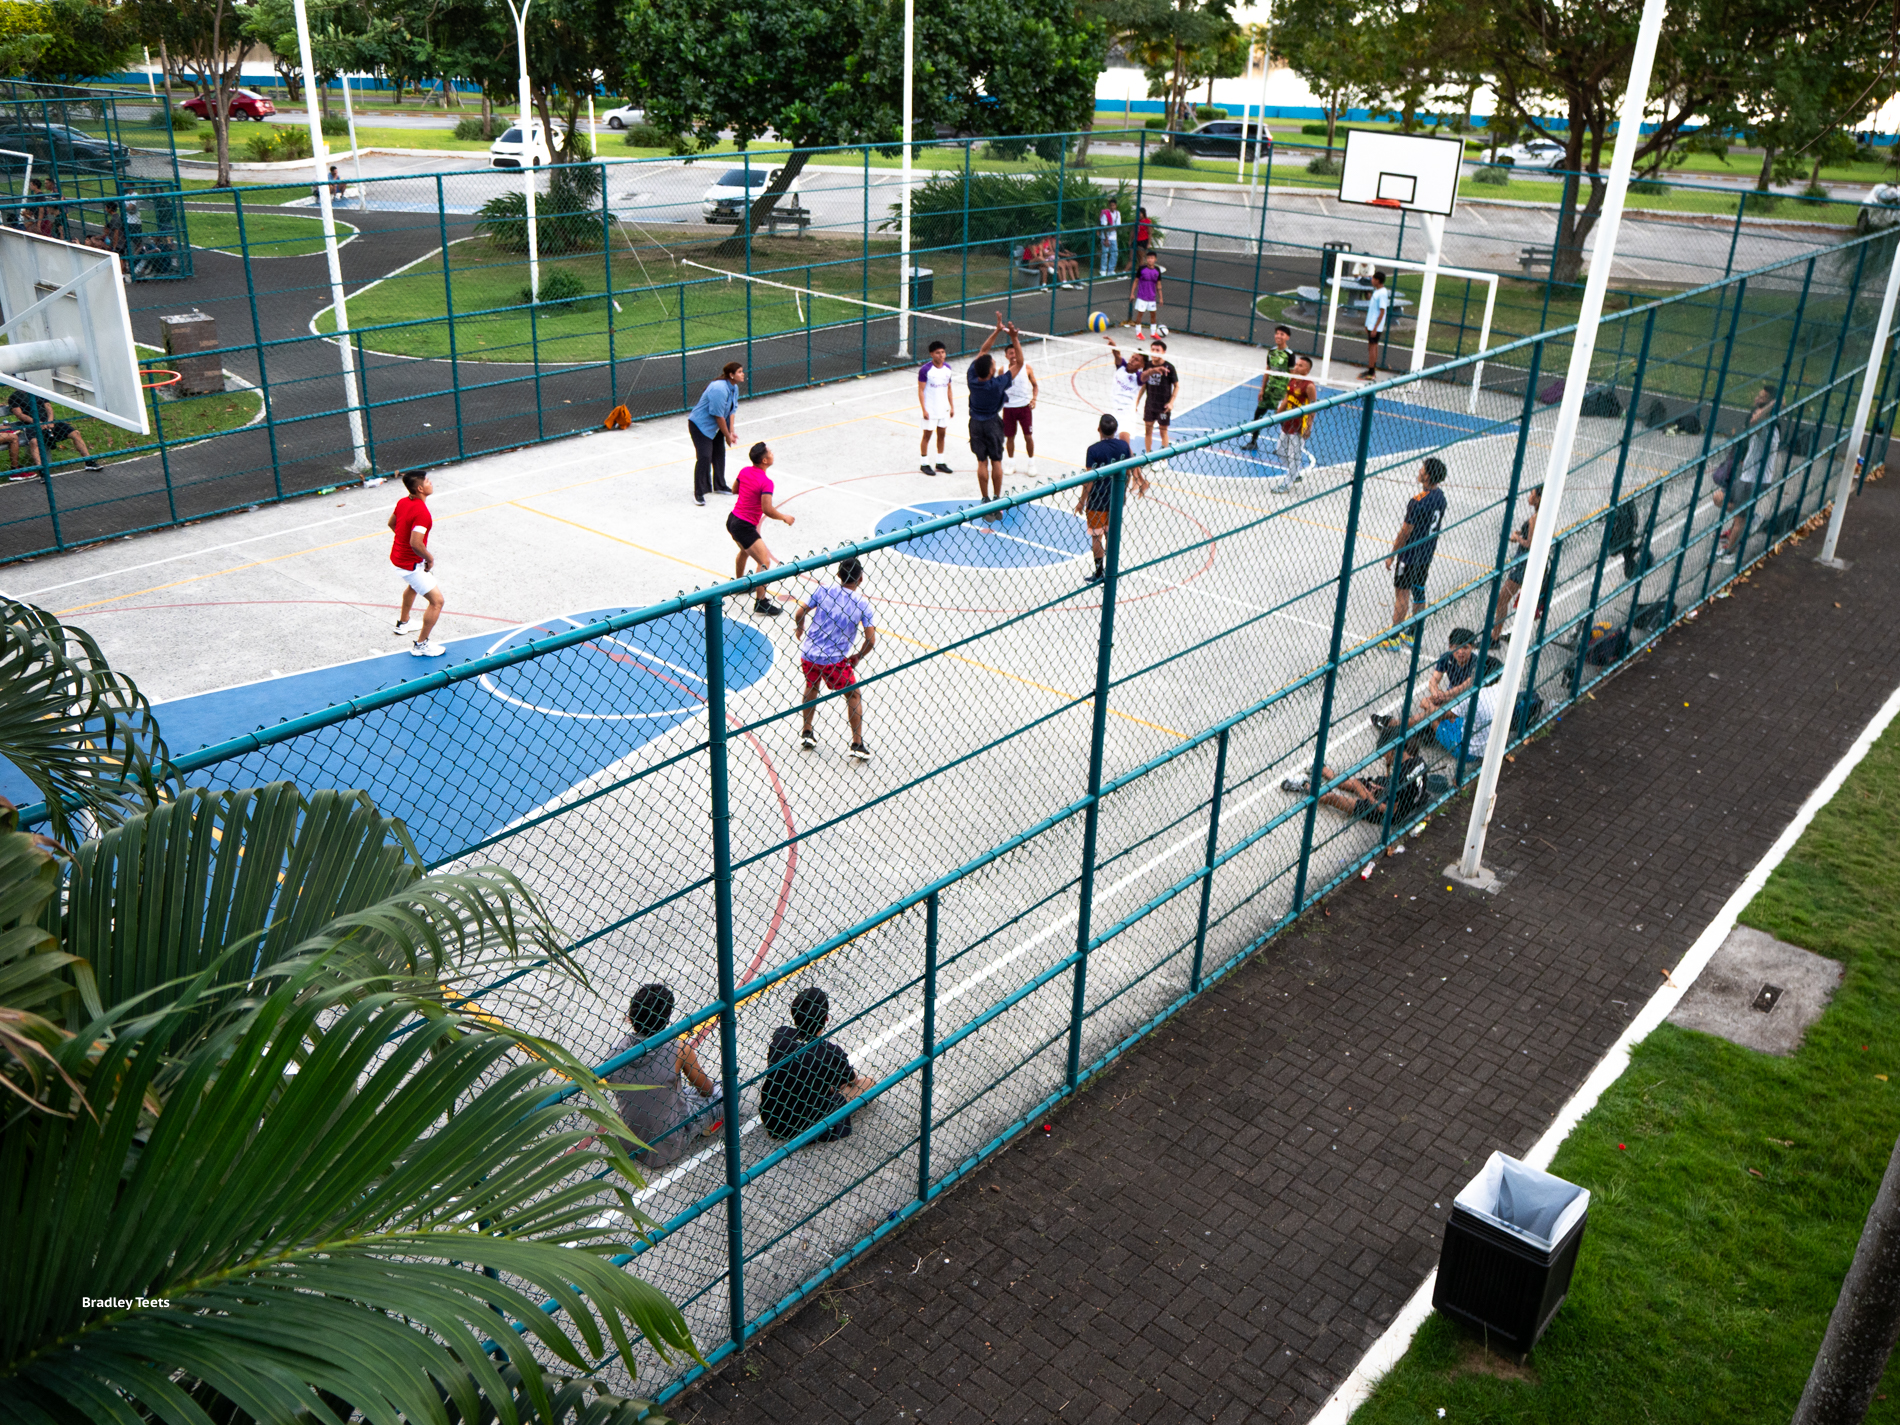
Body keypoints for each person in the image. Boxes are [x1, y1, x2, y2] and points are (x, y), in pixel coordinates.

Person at [602, 983, 722, 1168]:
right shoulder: (678, 1049)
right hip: (669, 1146)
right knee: (725, 1089)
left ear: (632, 1017)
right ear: (666, 1020)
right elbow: (706, 1090)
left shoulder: (615, 1054)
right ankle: (705, 1125)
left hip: (630, 1143)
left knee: (670, 1092)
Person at [759, 987, 877, 1144]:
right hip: (807, 1124)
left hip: (773, 1118)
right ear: (826, 1018)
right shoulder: (829, 1051)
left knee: (806, 1072)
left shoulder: (781, 1035)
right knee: (868, 1082)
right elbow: (852, 1080)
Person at [796, 556, 877, 762]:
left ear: (838, 575)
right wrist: (858, 655)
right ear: (860, 579)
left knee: (812, 686)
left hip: (810, 654)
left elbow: (800, 612)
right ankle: (857, 743)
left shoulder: (823, 590)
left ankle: (807, 731)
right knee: (853, 695)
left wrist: (800, 627)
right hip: (834, 661)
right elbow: (870, 640)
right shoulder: (862, 604)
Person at [1281, 737, 1429, 827]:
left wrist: (1370, 798)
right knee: (1357, 783)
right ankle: (1321, 769)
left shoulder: (1400, 778)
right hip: (1401, 799)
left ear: (1395, 751)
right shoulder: (1419, 762)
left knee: (1332, 798)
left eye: (1386, 754)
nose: (1384, 757)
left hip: (1389, 814)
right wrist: (1382, 787)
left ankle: (1304, 785)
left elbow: (1390, 811)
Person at [1381, 457, 1449, 650]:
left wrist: (1392, 555)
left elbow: (1405, 532)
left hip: (1410, 556)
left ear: (1427, 476)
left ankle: (1393, 638)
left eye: (1422, 469)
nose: (1419, 471)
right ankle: (1412, 634)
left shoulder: (1417, 501)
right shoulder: (1441, 497)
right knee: (1419, 590)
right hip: (1426, 554)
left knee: (1402, 594)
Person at [1074, 412, 1149, 584]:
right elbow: (1128, 471)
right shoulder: (1123, 446)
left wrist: (1081, 501)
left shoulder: (1093, 450)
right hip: (1115, 498)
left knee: (1096, 536)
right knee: (1110, 534)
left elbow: (1089, 480)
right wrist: (1124, 492)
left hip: (1097, 500)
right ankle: (1111, 570)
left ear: (1098, 429)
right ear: (1116, 430)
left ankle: (1099, 572)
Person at [728, 441, 794, 618]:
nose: (772, 454)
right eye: (770, 452)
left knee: (744, 551)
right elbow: (767, 509)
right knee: (764, 561)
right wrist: (784, 517)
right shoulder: (766, 482)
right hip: (744, 526)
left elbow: (735, 489)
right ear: (764, 460)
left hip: (733, 520)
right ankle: (761, 602)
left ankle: (740, 584)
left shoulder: (744, 471)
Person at [1376, 627, 1482, 734]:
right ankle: (1402, 726)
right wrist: (1435, 692)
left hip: (1468, 699)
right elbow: (1433, 680)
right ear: (1450, 647)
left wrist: (1443, 695)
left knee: (1429, 710)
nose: (1460, 652)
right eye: (1456, 647)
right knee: (1428, 704)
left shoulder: (1475, 663)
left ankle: (1396, 725)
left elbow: (1465, 686)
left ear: (1472, 647)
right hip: (1450, 697)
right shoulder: (1446, 657)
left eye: (1465, 647)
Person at [387, 468, 446, 656]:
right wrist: (429, 558)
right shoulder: (422, 513)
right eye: (427, 481)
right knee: (437, 602)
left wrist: (404, 543)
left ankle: (403, 623)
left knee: (413, 587)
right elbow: (416, 543)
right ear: (420, 488)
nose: (431, 483)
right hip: (410, 565)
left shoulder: (403, 502)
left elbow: (392, 524)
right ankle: (421, 645)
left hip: (398, 558)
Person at [1719, 385, 1780, 557]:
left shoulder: (1766, 428)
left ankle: (1729, 553)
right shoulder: (1764, 427)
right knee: (1719, 499)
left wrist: (1773, 404)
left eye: (1761, 398)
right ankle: (1751, 517)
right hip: (1746, 478)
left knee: (1740, 517)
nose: (1755, 401)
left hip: (1754, 481)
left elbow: (1755, 421)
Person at [965, 314, 1018, 512]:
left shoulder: (972, 378)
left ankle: (985, 499)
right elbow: (1020, 363)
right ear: (990, 371)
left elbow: (983, 350)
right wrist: (1013, 338)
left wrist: (996, 331)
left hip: (975, 423)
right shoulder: (997, 384)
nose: (995, 364)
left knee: (981, 461)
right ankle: (997, 499)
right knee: (996, 461)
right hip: (992, 423)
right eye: (994, 364)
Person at [1492, 485, 1544, 643]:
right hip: (1528, 564)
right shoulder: (1542, 515)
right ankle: (1511, 634)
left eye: (1532, 494)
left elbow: (1530, 543)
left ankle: (1495, 636)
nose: (1529, 497)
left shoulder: (1535, 518)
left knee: (1502, 598)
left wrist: (1517, 539)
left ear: (1538, 498)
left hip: (1522, 564)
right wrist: (1520, 533)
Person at [687, 361, 744, 505]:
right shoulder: (719, 389)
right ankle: (699, 492)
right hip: (700, 426)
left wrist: (731, 431)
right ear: (731, 375)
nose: (743, 374)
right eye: (739, 372)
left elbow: (731, 411)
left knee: (719, 453)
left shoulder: (734, 387)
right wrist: (727, 435)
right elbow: (718, 416)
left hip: (716, 426)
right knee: (705, 456)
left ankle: (720, 485)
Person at [5, 390, 101, 471]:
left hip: (49, 422)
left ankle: (89, 461)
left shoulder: (37, 391)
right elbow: (20, 415)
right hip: (32, 425)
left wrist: (50, 421)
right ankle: (42, 470)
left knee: (75, 433)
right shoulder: (15, 397)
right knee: (34, 442)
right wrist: (37, 423)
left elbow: (49, 408)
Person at [1243, 326, 1295, 451]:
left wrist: (1288, 395)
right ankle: (1253, 442)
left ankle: (1285, 447)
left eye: (1282, 334)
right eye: (1277, 333)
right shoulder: (1271, 352)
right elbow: (1267, 370)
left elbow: (1293, 376)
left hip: (1281, 392)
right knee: (1258, 414)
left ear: (1287, 337)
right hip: (1269, 390)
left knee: (1282, 419)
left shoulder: (1290, 355)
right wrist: (1262, 389)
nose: (1278, 336)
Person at [1270, 356, 1316, 489]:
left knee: (1294, 454)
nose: (1296, 367)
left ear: (1307, 370)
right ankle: (1295, 473)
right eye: (1296, 364)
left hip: (1300, 424)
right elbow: (1287, 399)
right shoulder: (1292, 380)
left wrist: (1308, 427)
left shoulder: (1309, 386)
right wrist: (1278, 414)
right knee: (1280, 450)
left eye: (1300, 366)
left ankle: (1287, 483)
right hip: (1287, 422)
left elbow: (1313, 407)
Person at [1001, 332, 1039, 477]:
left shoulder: (1027, 368)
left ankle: (1031, 464)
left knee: (1028, 436)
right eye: (1010, 353)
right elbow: (999, 387)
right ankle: (1011, 464)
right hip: (1008, 408)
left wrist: (1034, 399)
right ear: (1006, 356)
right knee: (1010, 437)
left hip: (1024, 408)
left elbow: (1035, 385)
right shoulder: (1003, 370)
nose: (1013, 355)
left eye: (1015, 352)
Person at [917, 340, 954, 475]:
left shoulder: (947, 369)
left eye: (943, 352)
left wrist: (951, 406)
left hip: (943, 408)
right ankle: (924, 463)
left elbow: (949, 388)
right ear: (931, 354)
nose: (941, 355)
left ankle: (940, 462)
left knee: (942, 435)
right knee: (927, 435)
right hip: (931, 409)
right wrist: (924, 409)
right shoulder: (925, 370)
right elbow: (921, 390)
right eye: (938, 353)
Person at [1140, 337, 1179, 457]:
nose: (1154, 352)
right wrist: (1136, 401)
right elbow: (1143, 385)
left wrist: (1171, 402)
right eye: (1152, 350)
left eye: (1157, 350)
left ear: (1163, 352)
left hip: (1163, 406)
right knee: (1148, 431)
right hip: (1150, 405)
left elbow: (1177, 386)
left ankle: (1164, 459)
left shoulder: (1169, 367)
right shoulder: (1147, 366)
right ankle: (1148, 457)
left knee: (1163, 432)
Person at [1103, 334, 1146, 437]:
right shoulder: (1121, 366)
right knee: (1108, 441)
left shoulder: (1139, 377)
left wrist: (1154, 370)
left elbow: (1146, 376)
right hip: (1114, 411)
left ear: (1142, 365)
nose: (1132, 360)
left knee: (1124, 443)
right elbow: (1117, 355)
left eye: (1137, 360)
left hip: (1127, 415)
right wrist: (1113, 346)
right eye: (1132, 357)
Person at [1362, 271, 1392, 380]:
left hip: (1375, 326)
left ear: (1378, 280)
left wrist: (1375, 328)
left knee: (1373, 347)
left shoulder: (1382, 293)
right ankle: (1370, 368)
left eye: (1373, 279)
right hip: (1371, 325)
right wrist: (1367, 325)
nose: (1371, 280)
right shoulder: (1377, 291)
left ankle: (1372, 372)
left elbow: (1382, 311)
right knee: (1371, 347)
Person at [1130, 251, 1165, 339]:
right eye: (1148, 258)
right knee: (1140, 314)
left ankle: (1153, 333)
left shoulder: (1157, 270)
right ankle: (1138, 333)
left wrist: (1161, 297)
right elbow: (1136, 281)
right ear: (1146, 259)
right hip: (1141, 297)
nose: (1150, 260)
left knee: (1153, 314)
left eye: (1152, 258)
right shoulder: (1141, 268)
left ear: (1155, 259)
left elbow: (1159, 285)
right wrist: (1132, 293)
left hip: (1152, 298)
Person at [1097, 200, 1120, 276]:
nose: (1112, 207)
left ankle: (1111, 270)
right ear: (1109, 206)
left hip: (1114, 237)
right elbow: (1104, 227)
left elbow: (1117, 226)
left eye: (1114, 205)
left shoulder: (1117, 213)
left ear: (1116, 205)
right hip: (1105, 237)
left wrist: (1110, 228)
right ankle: (1103, 270)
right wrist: (1106, 239)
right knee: (1105, 253)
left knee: (1115, 253)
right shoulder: (1105, 214)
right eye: (1111, 205)